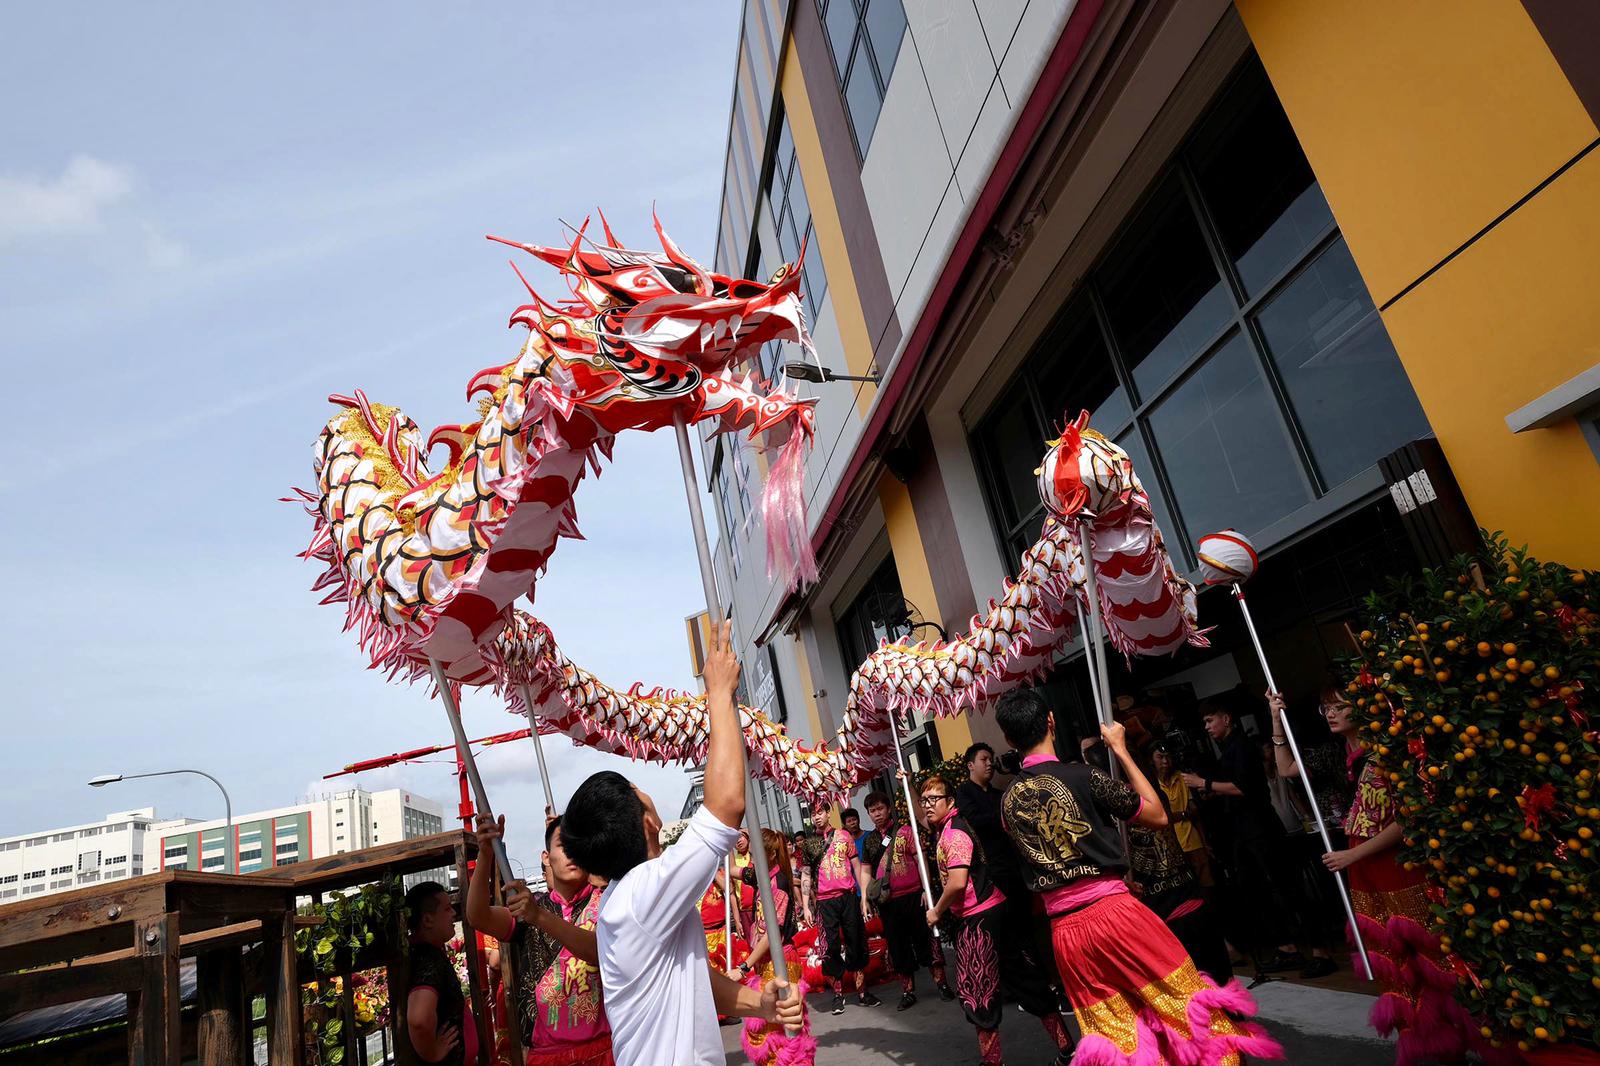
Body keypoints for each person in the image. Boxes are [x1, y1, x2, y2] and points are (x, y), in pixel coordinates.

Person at [558, 620, 804, 1065]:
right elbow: (726, 805)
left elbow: (695, 981)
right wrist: (720, 693)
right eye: (639, 791)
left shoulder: (628, 898)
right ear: (648, 822)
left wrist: (760, 1005)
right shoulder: (642, 893)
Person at [994, 688, 1282, 1065]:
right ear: (1050, 721)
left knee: (1121, 1040)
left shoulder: (1007, 803)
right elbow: (1157, 816)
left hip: (1067, 933)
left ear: (1009, 739)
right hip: (1117, 917)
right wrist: (1122, 751)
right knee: (1185, 1009)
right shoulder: (1084, 776)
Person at [1274, 685, 1495, 1064]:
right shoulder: (1334, 753)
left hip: (1397, 867)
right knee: (1395, 964)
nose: (1331, 714)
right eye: (1326, 708)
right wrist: (1275, 718)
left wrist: (1353, 854)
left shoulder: (1387, 751)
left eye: (1338, 706)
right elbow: (1285, 769)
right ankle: (1435, 1044)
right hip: (1363, 870)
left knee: (1431, 958)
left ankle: (1467, 1037)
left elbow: (1409, 820)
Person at [920, 775, 1076, 1066]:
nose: (928, 805)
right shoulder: (950, 827)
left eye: (934, 799)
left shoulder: (954, 833)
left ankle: (993, 1062)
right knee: (1026, 981)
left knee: (978, 992)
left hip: (979, 919)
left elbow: (957, 882)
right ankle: (1068, 1050)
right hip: (994, 910)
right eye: (924, 800)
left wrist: (937, 911)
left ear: (950, 802)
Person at [468, 814, 613, 1066]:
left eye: (579, 844)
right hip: (547, 1055)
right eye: (564, 845)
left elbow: (601, 952)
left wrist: (539, 917)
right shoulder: (529, 908)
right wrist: (485, 854)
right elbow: (477, 916)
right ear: (546, 857)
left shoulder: (609, 902)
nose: (572, 853)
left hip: (606, 1050)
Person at [1183, 699, 1308, 975]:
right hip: (1243, 829)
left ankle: (1309, 947)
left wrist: (1203, 783)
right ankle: (1286, 947)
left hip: (1259, 827)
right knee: (1255, 888)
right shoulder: (1228, 750)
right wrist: (1213, 790)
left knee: (1281, 885)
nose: (1207, 728)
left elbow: (1245, 787)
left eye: (1210, 721)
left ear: (1226, 719)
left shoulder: (1242, 746)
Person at [862, 789, 935, 1010]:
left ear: (888, 808)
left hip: (914, 896)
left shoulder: (905, 831)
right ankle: (908, 991)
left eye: (880, 808)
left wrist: (926, 889)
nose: (877, 814)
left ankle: (941, 983)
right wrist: (865, 898)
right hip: (888, 902)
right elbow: (866, 871)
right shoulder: (870, 840)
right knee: (897, 946)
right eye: (872, 810)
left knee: (926, 941)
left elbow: (920, 859)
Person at [813, 806, 880, 1013]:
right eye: (813, 814)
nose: (816, 817)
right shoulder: (810, 843)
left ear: (828, 813)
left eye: (820, 812)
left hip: (848, 896)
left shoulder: (844, 836)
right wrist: (807, 904)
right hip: (825, 901)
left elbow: (857, 865)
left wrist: (863, 896)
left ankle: (862, 992)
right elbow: (806, 874)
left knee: (855, 941)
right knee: (830, 946)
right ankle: (838, 995)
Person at [404, 880, 468, 1065]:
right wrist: (431, 1053)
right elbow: (419, 1019)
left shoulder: (427, 953)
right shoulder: (428, 959)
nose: (454, 913)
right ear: (427, 920)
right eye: (447, 909)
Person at [731, 829, 802, 985]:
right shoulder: (760, 875)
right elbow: (732, 869)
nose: (752, 861)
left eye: (756, 856)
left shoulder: (778, 885)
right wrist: (728, 837)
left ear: (772, 855)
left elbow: (772, 934)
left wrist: (744, 968)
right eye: (751, 855)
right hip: (765, 959)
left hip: (780, 961)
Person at [1151, 741, 1212, 887]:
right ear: (1151, 760)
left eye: (1168, 757)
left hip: (1193, 841)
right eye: (1160, 757)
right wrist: (1183, 814)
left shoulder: (1183, 778)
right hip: (1170, 848)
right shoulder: (1150, 784)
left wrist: (1205, 842)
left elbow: (1195, 812)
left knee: (1207, 884)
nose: (1165, 761)